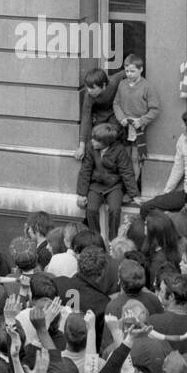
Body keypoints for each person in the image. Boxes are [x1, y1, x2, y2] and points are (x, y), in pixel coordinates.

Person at [76, 122, 138, 240]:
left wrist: (134, 194)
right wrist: (82, 194)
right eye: (92, 138)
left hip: (114, 185)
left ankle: (113, 241)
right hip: (96, 185)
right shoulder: (91, 148)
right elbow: (85, 171)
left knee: (115, 211)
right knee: (91, 210)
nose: (92, 141)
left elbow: (127, 172)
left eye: (95, 140)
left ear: (105, 143)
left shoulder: (119, 150)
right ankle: (95, 240)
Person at [111, 54, 159, 183]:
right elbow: (116, 103)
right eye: (127, 71)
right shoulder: (122, 84)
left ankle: (133, 186)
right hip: (124, 126)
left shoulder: (147, 86)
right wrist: (121, 118)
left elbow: (154, 109)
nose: (129, 74)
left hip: (138, 128)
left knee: (135, 158)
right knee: (124, 157)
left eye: (132, 71)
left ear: (141, 69)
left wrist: (141, 121)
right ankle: (124, 185)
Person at [76, 67, 121, 161]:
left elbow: (128, 71)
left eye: (93, 88)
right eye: (87, 87)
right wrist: (81, 146)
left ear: (103, 85)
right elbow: (85, 118)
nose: (89, 91)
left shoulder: (114, 81)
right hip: (99, 117)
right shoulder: (89, 96)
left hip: (114, 114)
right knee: (96, 139)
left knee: (113, 139)